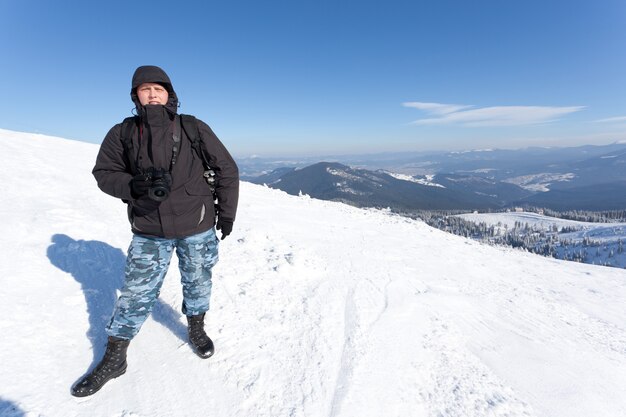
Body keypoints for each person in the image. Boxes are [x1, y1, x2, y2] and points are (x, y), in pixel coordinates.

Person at [71, 65, 239, 397]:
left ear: (169, 94)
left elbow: (226, 169)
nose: (152, 94)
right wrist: (132, 184)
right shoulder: (123, 132)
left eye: (158, 89)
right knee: (136, 292)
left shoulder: (192, 127)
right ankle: (116, 356)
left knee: (198, 279)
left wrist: (227, 215)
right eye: (145, 89)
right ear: (136, 95)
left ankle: (196, 329)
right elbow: (104, 173)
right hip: (149, 227)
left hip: (198, 223)